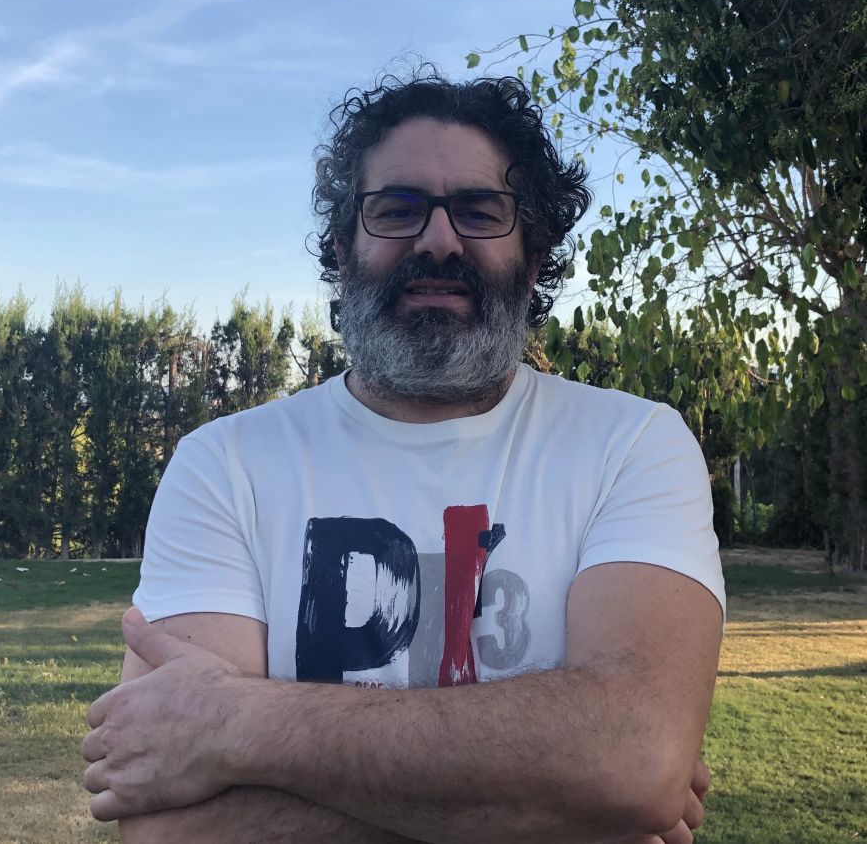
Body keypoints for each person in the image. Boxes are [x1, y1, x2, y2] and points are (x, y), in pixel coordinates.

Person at [81, 69, 725, 844]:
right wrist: (561, 807)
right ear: (344, 246)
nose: (439, 240)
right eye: (397, 209)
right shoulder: (224, 465)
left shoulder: (633, 443)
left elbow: (633, 755)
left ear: (532, 256)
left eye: (479, 211)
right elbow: (170, 829)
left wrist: (235, 723)